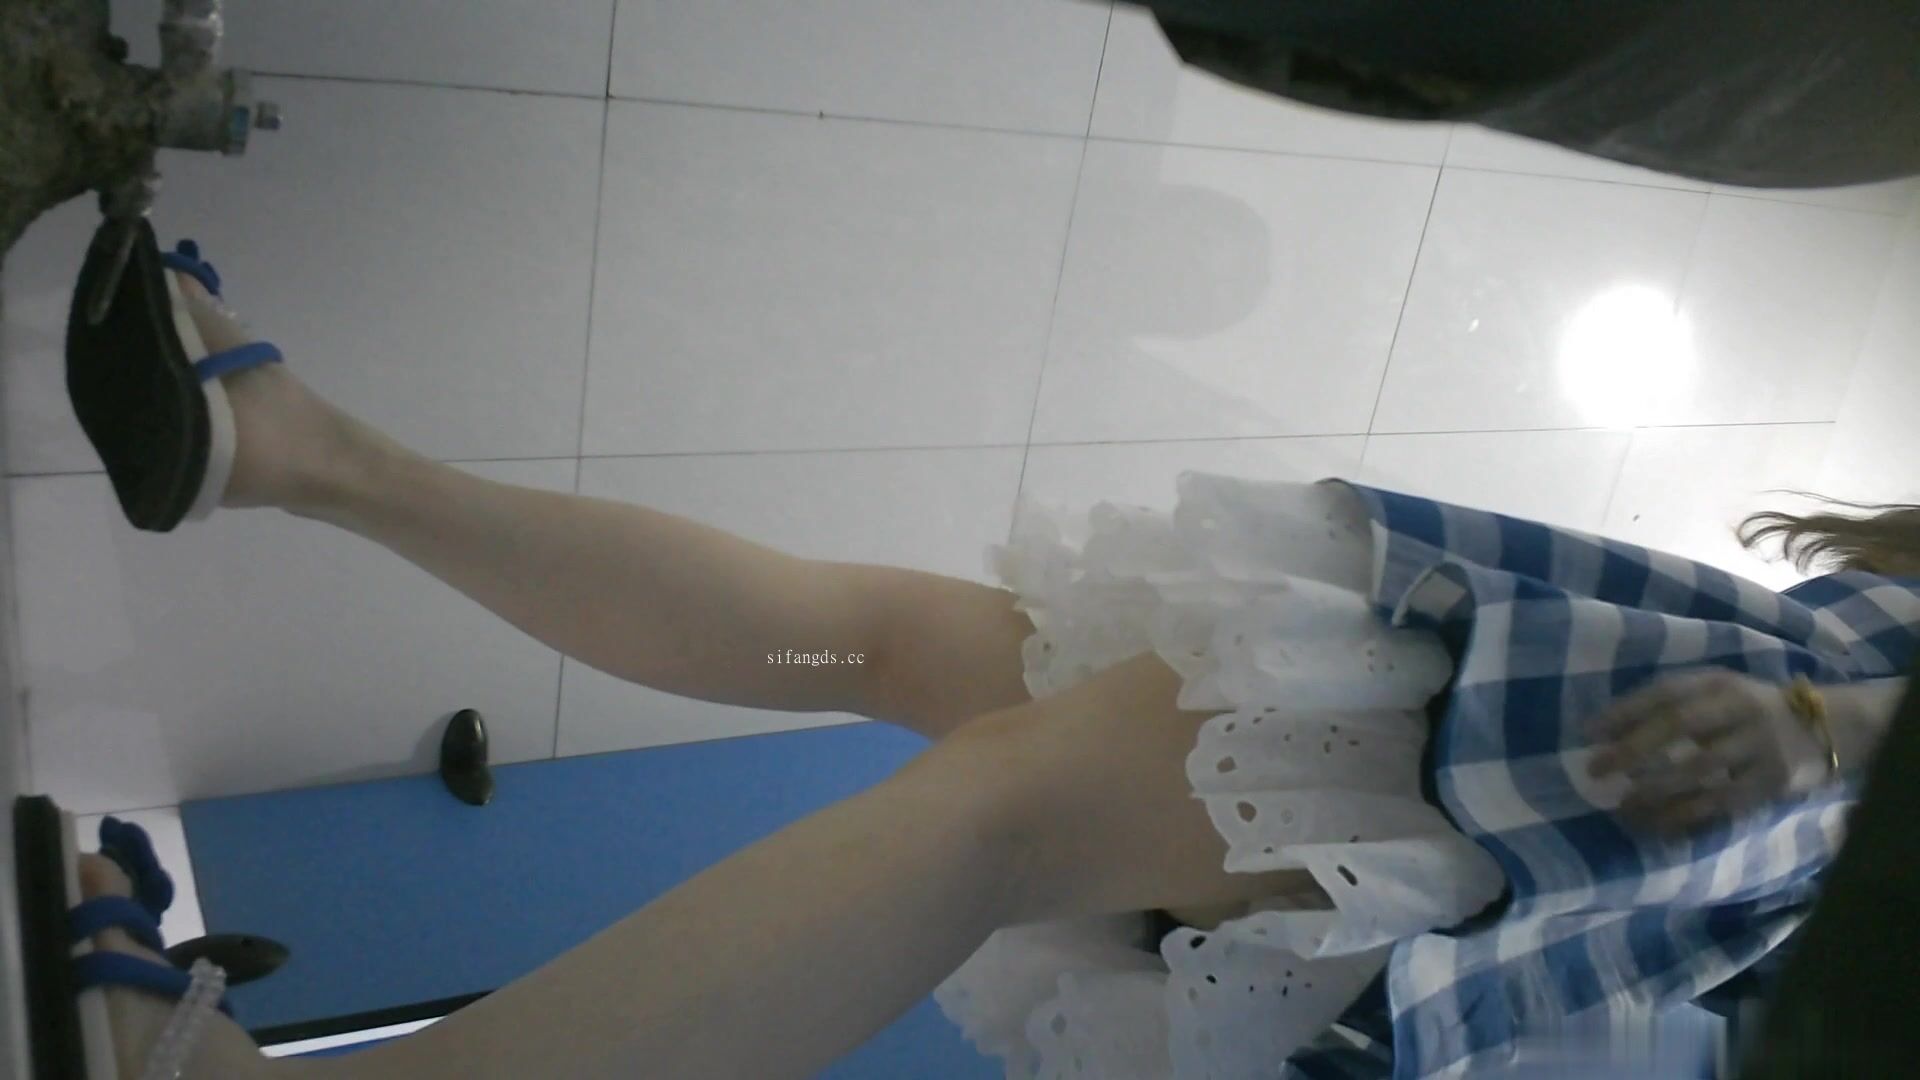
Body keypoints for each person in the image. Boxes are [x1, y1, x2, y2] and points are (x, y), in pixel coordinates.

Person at [56, 226, 1920, 1079]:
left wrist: (1840, 729)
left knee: (985, 818)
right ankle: (297, 451)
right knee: (873, 644)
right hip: (1637, 756)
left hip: (1627, 767)